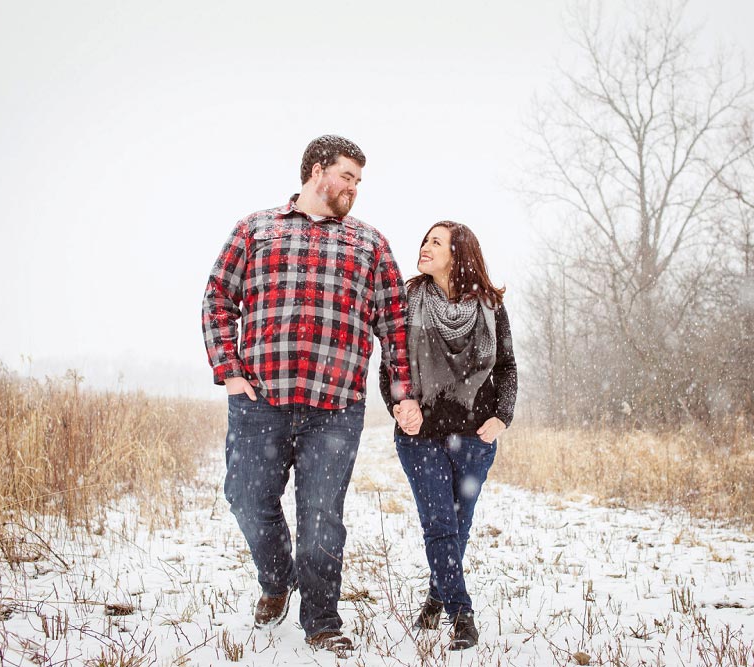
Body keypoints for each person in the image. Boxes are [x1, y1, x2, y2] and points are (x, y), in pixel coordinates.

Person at [202, 135, 422, 656]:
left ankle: (322, 621)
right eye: (347, 176)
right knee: (247, 499)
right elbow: (217, 299)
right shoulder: (256, 229)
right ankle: (277, 579)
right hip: (260, 400)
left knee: (322, 517)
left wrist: (404, 393)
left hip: (336, 406)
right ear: (317, 170)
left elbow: (395, 323)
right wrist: (229, 371)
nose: (353, 188)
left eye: (358, 182)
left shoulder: (369, 242)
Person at [380, 221, 518, 651]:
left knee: (459, 525)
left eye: (435, 242)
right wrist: (400, 405)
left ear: (459, 254)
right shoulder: (409, 299)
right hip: (420, 435)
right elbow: (391, 364)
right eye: (424, 240)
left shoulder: (490, 306)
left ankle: (438, 594)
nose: (424, 247)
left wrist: (503, 417)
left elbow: (507, 367)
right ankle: (462, 615)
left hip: (476, 437)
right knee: (439, 523)